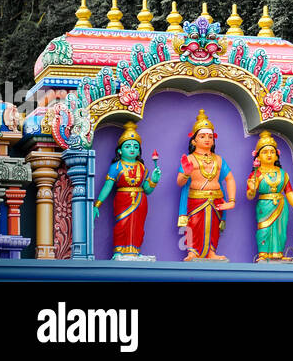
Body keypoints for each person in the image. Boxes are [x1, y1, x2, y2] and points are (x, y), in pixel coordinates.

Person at [93, 121, 160, 259]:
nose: (132, 149)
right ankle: (118, 252)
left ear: (139, 151)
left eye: (136, 146)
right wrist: (97, 204)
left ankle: (135, 252)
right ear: (119, 150)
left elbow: (147, 190)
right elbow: (107, 186)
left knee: (138, 227)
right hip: (122, 199)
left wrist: (154, 179)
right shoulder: (116, 166)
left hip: (140, 200)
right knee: (122, 224)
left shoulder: (142, 167)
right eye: (128, 146)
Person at [176, 109, 236, 261]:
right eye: (202, 136)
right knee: (193, 224)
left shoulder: (219, 160)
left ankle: (211, 252)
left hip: (216, 199)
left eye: (210, 136)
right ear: (194, 140)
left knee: (213, 227)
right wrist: (186, 173)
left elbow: (229, 179)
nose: (207, 139)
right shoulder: (189, 159)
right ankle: (192, 251)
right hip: (196, 198)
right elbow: (179, 182)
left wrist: (232, 201)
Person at [246, 130, 293, 262]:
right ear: (258, 156)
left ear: (276, 155)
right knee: (264, 229)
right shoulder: (256, 174)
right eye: (265, 152)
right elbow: (250, 196)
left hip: (281, 205)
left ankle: (277, 254)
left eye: (272, 152)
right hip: (264, 206)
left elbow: (289, 192)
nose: (269, 155)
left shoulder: (282, 173)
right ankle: (263, 254)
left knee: (280, 232)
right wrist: (251, 189)